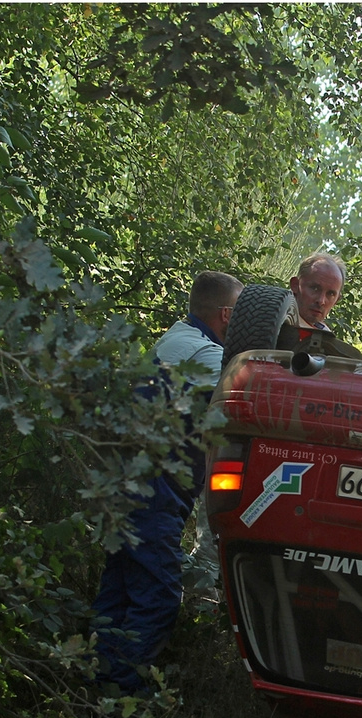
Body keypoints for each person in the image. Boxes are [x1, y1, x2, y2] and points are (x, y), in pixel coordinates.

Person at [92, 270, 242, 694]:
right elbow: (251, 378)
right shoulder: (193, 352)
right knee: (156, 597)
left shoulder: (179, 342)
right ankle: (119, 702)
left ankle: (98, 686)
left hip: (138, 488)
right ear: (229, 315)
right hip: (150, 492)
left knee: (121, 592)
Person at [276, 252, 362, 359]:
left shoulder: (331, 343)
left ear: (337, 300)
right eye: (314, 288)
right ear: (295, 285)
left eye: (330, 294)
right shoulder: (271, 325)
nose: (321, 301)